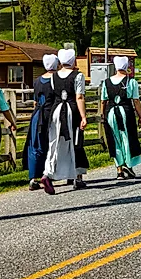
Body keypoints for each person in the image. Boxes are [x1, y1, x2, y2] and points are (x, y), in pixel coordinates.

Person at [42, 48, 89, 194]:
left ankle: (47, 173)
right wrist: (83, 116)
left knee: (54, 143)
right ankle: (77, 177)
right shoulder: (78, 76)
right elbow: (79, 97)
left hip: (56, 112)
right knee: (75, 141)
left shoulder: (53, 76)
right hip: (70, 111)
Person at [101, 56, 141, 179]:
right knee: (127, 137)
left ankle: (119, 170)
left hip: (111, 113)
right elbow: (136, 100)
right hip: (126, 111)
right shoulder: (131, 82)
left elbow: (103, 101)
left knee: (114, 139)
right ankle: (128, 165)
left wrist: (103, 114)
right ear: (126, 66)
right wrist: (140, 116)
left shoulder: (106, 82)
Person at [23, 54, 58, 191]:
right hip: (50, 114)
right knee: (51, 144)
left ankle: (33, 177)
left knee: (35, 145)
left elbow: (36, 101)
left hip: (37, 115)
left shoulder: (37, 81)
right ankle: (49, 174)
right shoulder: (56, 79)